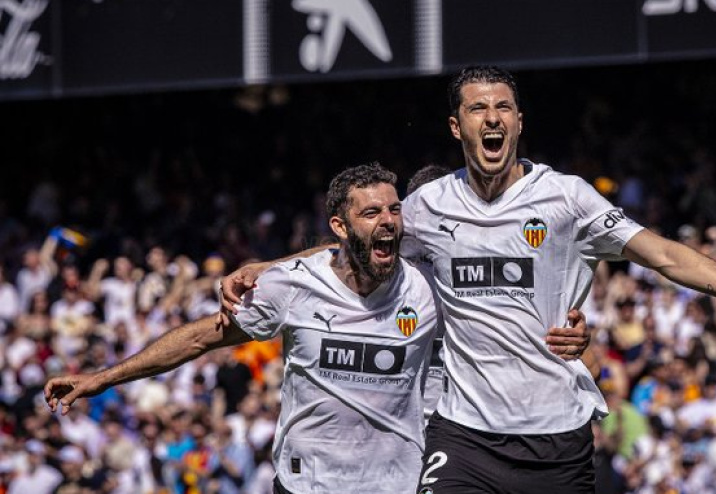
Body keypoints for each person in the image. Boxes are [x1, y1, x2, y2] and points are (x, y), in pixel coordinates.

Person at [220, 66, 716, 494]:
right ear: (457, 127)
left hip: (556, 434)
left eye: (502, 107)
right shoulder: (427, 204)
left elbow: (662, 255)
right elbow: (364, 241)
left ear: (519, 121)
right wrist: (269, 268)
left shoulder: (566, 198)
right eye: (478, 109)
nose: (492, 117)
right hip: (464, 434)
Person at [45, 164, 442, 494]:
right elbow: (200, 338)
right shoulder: (293, 286)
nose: (388, 221)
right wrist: (104, 377)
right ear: (339, 225)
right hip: (309, 484)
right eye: (372, 213)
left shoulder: (427, 285)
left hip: (398, 485)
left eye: (394, 210)